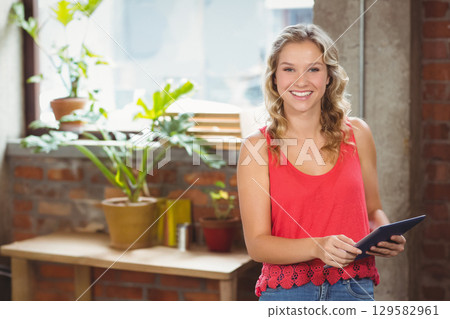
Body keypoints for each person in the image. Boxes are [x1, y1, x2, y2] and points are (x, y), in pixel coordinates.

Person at [237, 24, 406, 301]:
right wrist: (317, 247)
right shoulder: (256, 148)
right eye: (289, 69)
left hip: (354, 288)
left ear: (329, 76)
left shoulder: (358, 134)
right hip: (287, 295)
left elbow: (373, 211)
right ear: (274, 78)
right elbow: (257, 245)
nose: (301, 81)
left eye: (313, 69)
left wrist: (384, 235)